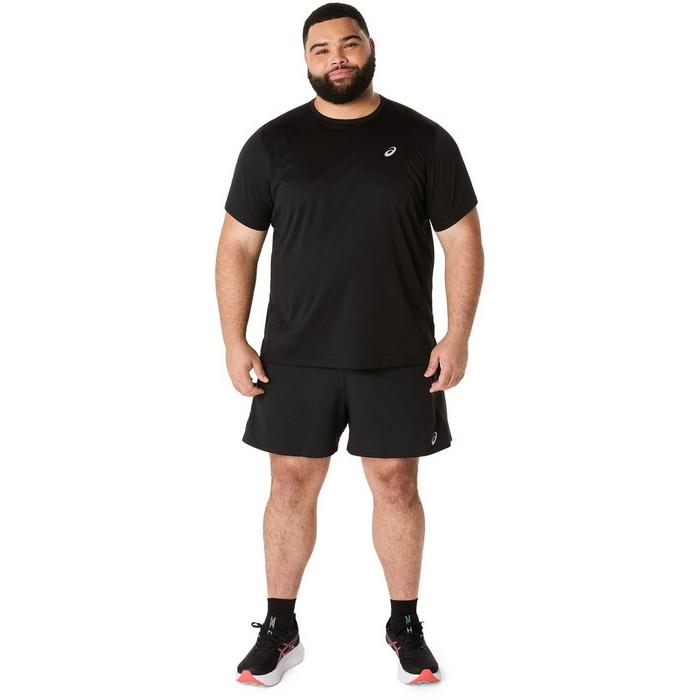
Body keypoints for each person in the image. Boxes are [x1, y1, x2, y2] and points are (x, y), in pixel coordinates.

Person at [215, 2, 484, 686]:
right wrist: (233, 339)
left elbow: (462, 240)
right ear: (306, 61)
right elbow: (238, 245)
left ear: (369, 48)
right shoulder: (272, 144)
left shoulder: (424, 140)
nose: (336, 57)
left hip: (397, 355)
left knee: (396, 483)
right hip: (294, 355)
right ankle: (280, 627)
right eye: (321, 48)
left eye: (348, 44)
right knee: (288, 484)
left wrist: (458, 333)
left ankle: (405, 624)